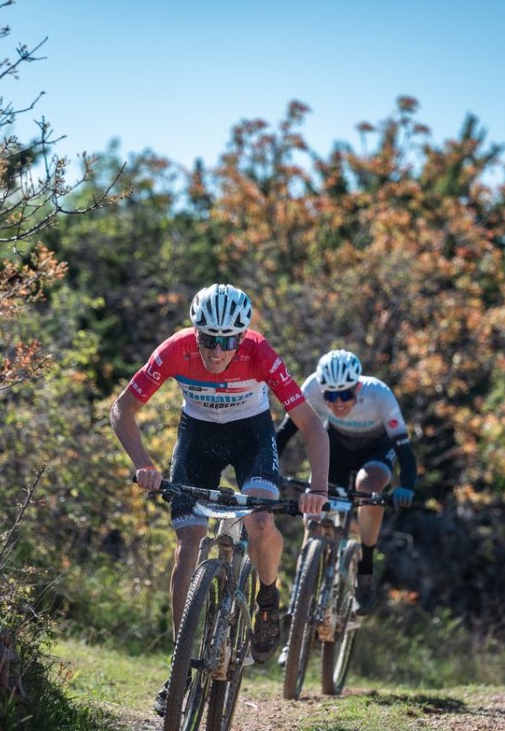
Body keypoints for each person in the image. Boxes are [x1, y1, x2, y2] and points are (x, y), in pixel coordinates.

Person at [110, 283, 331, 716]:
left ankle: (268, 597)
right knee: (187, 544)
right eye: (208, 339)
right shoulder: (175, 349)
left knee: (260, 522)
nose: (216, 350)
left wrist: (318, 489)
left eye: (227, 341)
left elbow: (312, 426)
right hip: (197, 438)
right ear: (195, 332)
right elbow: (122, 409)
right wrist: (144, 464)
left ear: (242, 336)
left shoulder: (260, 353)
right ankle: (180, 669)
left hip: (251, 436)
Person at [275, 348, 418, 618]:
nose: (338, 403)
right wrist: (269, 470)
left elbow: (405, 452)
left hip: (376, 449)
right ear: (322, 389)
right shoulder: (312, 388)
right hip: (337, 447)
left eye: (346, 394)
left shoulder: (380, 395)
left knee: (369, 487)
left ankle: (365, 568)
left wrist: (407, 487)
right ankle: (299, 604)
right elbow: (284, 433)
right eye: (331, 395)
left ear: (358, 386)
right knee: (313, 517)